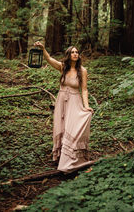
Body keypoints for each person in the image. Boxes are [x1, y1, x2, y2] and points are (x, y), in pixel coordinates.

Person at [34, 41, 94, 173]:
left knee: (71, 127)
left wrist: (87, 106)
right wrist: (43, 48)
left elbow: (84, 90)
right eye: (72, 52)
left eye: (77, 52)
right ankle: (60, 156)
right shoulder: (63, 67)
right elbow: (49, 59)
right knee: (61, 126)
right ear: (68, 54)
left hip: (75, 101)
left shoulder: (82, 71)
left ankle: (71, 159)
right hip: (61, 100)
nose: (75, 54)